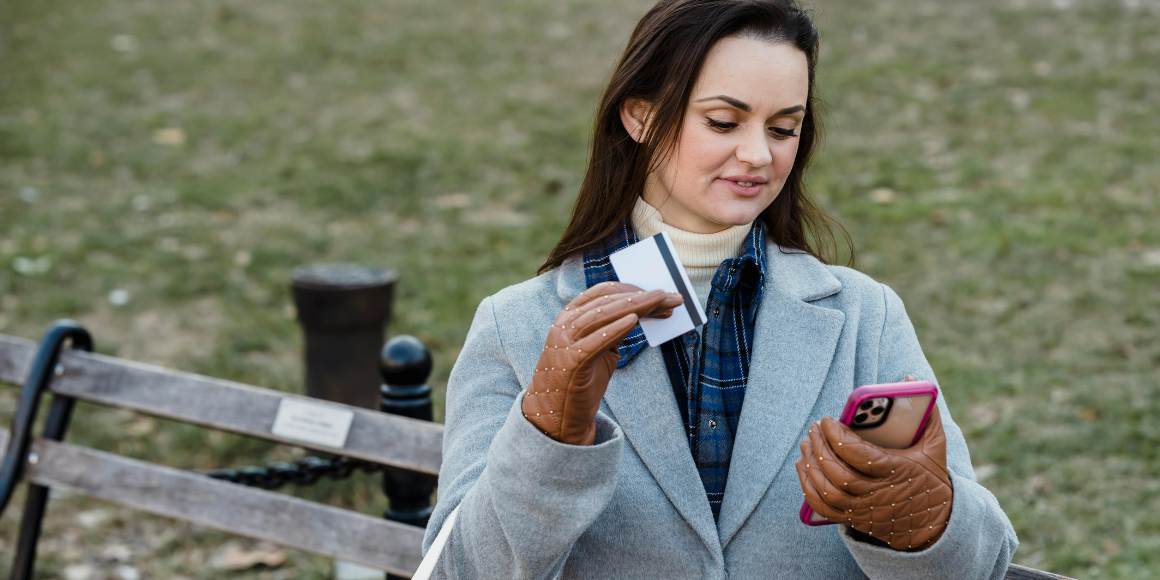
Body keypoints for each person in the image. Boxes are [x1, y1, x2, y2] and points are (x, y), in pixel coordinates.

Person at [421, 0, 1019, 577]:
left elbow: (978, 568)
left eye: (784, 128)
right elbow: (454, 572)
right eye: (723, 122)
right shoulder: (515, 327)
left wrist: (926, 521)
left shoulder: (867, 316)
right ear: (639, 117)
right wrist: (548, 438)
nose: (758, 155)